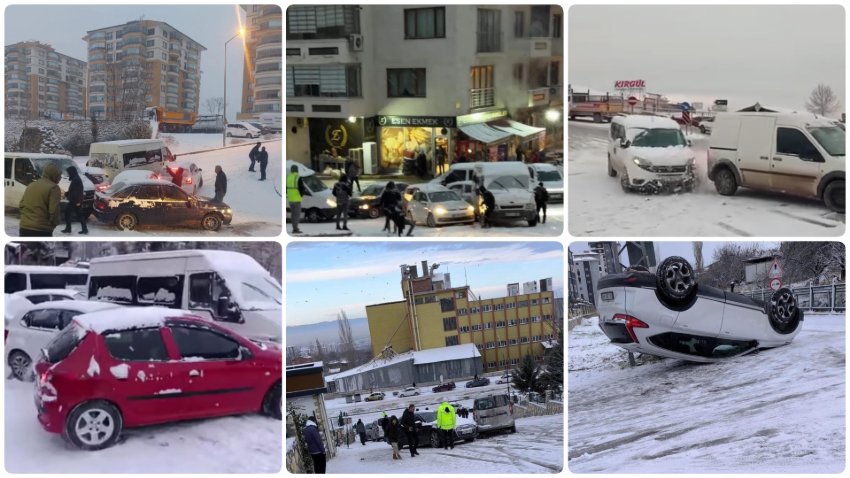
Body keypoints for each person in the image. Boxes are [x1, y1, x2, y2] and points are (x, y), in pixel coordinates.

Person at [19, 162, 61, 237]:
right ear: (54, 175)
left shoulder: (31, 185)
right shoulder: (54, 188)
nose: (60, 178)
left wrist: (26, 218)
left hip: (24, 227)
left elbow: (21, 204)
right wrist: (53, 224)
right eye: (59, 176)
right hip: (41, 229)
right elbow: (54, 211)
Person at [60, 166, 88, 234]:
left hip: (75, 201)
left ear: (72, 172)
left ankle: (69, 228)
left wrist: (78, 202)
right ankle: (84, 229)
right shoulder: (75, 178)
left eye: (69, 172)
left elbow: (77, 192)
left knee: (69, 214)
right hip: (75, 200)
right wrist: (67, 193)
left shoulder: (76, 179)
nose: (68, 174)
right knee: (78, 215)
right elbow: (73, 190)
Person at [286, 165, 307, 234]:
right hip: (297, 199)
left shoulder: (288, 177)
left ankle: (294, 227)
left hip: (290, 199)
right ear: (297, 170)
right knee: (297, 215)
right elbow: (302, 188)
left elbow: (286, 188)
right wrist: (301, 195)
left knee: (293, 214)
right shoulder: (298, 177)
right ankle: (295, 229)